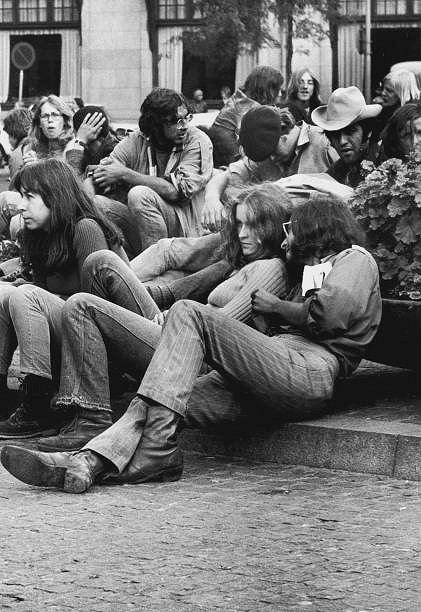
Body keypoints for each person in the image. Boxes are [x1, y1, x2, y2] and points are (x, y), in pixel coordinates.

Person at [0, 195, 382, 492]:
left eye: (291, 227)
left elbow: (330, 315)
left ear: (316, 229)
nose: (286, 235)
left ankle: (157, 450)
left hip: (308, 370)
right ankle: (86, 463)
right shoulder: (307, 271)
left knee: (188, 313)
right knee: (154, 401)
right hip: (271, 373)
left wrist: (278, 308)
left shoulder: (355, 260)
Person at [27, 182, 291, 452]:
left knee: (86, 297)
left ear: (271, 227)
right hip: (178, 332)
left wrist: (178, 318)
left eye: (253, 226)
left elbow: (222, 326)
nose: (243, 234)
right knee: (98, 265)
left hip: (195, 356)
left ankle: (91, 419)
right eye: (238, 225)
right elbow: (178, 292)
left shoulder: (272, 268)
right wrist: (158, 305)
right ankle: (99, 384)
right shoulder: (236, 264)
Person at [0, 158, 127, 439]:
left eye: (29, 196)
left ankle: (37, 403)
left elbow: (94, 312)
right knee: (6, 294)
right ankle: (4, 399)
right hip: (68, 334)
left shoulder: (85, 229)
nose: (21, 206)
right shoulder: (37, 235)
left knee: (26, 296)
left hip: (105, 349)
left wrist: (36, 293)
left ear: (55, 196)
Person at [89, 88, 214, 256]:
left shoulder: (197, 141)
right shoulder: (138, 139)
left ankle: (154, 265)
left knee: (140, 194)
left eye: (186, 118)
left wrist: (124, 174)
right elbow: (103, 171)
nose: (184, 126)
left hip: (186, 229)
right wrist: (81, 203)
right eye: (176, 121)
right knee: (97, 204)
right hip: (147, 228)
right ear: (156, 124)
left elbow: (178, 191)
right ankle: (123, 265)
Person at [202, 105, 338, 232]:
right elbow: (225, 176)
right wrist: (211, 199)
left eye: (273, 151)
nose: (271, 159)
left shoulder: (324, 144)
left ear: (284, 133)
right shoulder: (264, 147)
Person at [208, 65, 284, 167]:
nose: (279, 94)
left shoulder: (238, 100)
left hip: (218, 158)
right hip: (230, 164)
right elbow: (256, 149)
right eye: (276, 89)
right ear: (265, 89)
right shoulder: (252, 111)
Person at [312, 86, 382, 187]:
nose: (342, 141)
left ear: (368, 132)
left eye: (350, 131)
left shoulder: (383, 162)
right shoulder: (340, 169)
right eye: (335, 134)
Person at [66, 105, 119, 178]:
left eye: (74, 130)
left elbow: (70, 181)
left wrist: (79, 141)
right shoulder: (88, 152)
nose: (72, 133)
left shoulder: (115, 155)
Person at [22, 95, 75, 166]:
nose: (50, 120)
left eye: (55, 115)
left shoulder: (73, 146)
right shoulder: (32, 148)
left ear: (65, 120)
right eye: (45, 116)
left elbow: (70, 175)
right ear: (39, 123)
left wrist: (37, 167)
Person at [2, 107, 32, 179]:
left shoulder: (17, 155)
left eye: (9, 134)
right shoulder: (41, 146)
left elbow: (16, 189)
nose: (8, 141)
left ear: (13, 133)